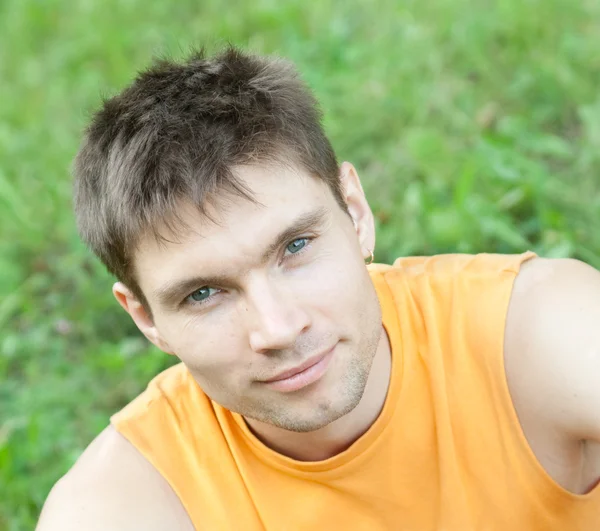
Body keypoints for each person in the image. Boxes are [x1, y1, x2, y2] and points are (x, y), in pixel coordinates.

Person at [37, 46, 600, 530]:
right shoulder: (125, 503)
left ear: (355, 213)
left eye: (295, 248)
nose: (278, 329)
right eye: (204, 294)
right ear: (145, 318)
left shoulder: (533, 333)